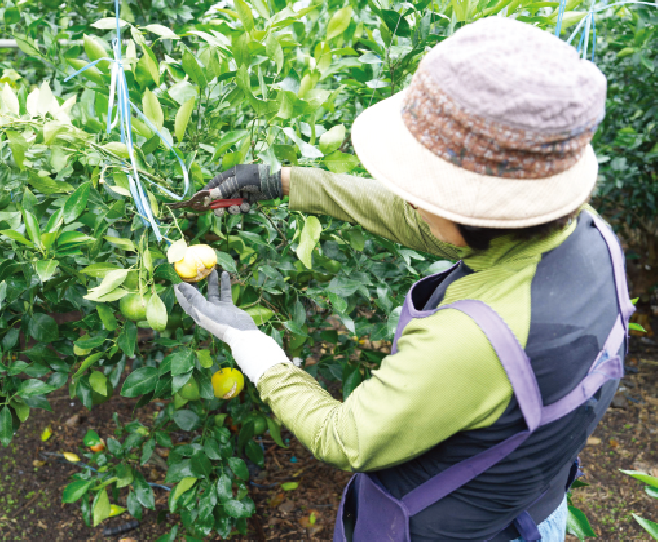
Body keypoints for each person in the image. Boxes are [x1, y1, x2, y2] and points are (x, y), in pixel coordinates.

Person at [174, 16, 634, 542]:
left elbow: (343, 437)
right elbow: (432, 226)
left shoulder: (473, 339)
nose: (412, 199)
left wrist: (246, 340)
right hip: (534, 506)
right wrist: (283, 183)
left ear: (479, 210)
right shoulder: (588, 234)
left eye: (425, 189)